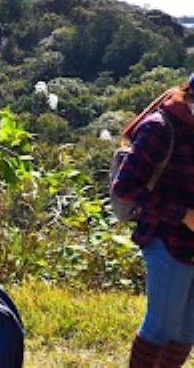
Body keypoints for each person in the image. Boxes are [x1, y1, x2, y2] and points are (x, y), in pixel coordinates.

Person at [112, 75, 194, 368]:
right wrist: (183, 214)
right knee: (160, 328)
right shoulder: (161, 127)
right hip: (166, 240)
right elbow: (125, 187)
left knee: (186, 331)